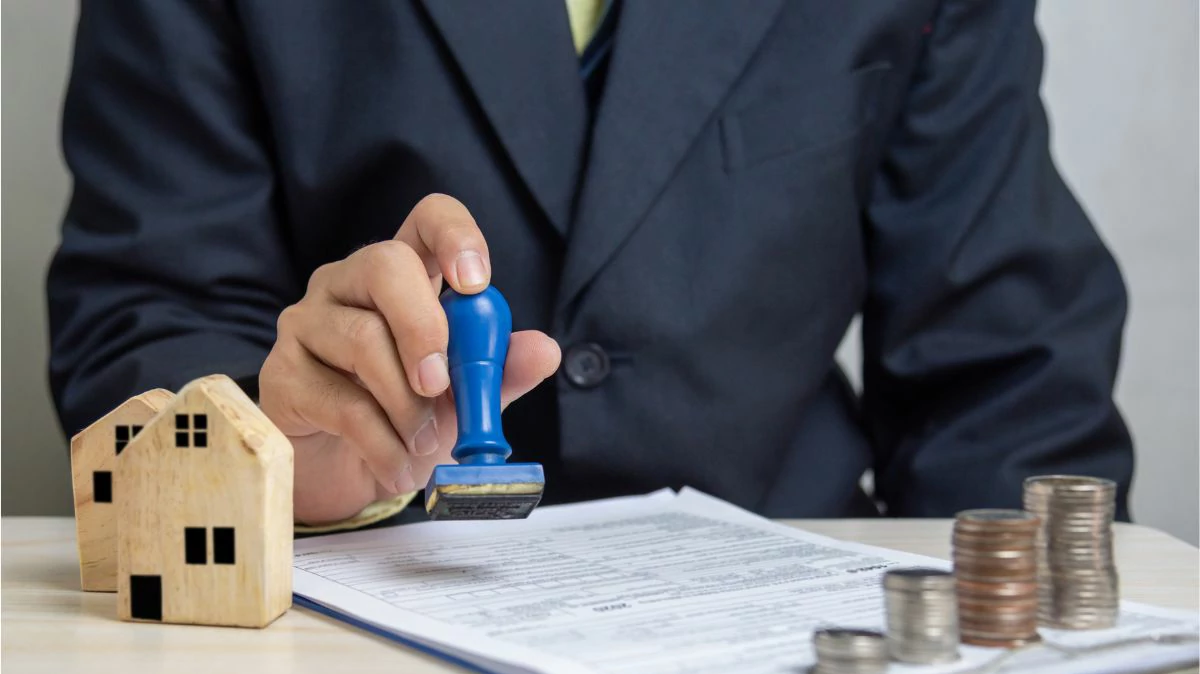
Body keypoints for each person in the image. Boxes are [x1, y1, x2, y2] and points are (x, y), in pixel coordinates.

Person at [47, 1, 1134, 528]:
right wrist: (273, 471)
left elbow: (1006, 382)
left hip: (789, 623)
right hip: (353, 641)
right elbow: (150, 313)